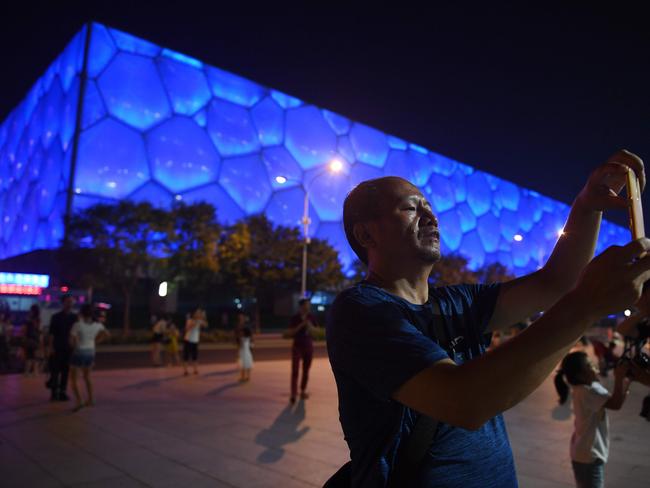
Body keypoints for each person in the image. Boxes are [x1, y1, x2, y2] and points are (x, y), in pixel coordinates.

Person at [326, 150, 650, 487]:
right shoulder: (360, 311)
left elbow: (555, 282)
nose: (430, 217)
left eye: (429, 208)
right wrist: (586, 305)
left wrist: (587, 205)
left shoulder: (458, 302)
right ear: (366, 236)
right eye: (410, 208)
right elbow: (464, 401)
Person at [554, 352, 631, 487]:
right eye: (590, 366)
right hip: (588, 456)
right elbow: (615, 404)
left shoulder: (590, 387)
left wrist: (627, 381)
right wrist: (619, 378)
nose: (595, 367)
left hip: (585, 454)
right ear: (580, 375)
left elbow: (615, 400)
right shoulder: (586, 391)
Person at [69, 304, 110, 411]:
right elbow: (107, 334)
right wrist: (96, 341)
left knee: (73, 379)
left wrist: (75, 345)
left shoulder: (77, 325)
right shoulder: (98, 325)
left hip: (79, 352)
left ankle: (79, 401)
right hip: (91, 351)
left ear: (81, 313)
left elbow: (72, 341)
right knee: (87, 377)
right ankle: (91, 399)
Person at [287, 298, 318, 403]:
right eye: (306, 305)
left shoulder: (311, 317)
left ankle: (303, 390)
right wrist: (301, 325)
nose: (308, 307)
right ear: (301, 306)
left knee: (306, 370)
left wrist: (309, 326)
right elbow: (291, 332)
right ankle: (293, 394)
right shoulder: (295, 318)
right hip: (297, 346)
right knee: (295, 370)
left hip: (308, 346)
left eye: (309, 305)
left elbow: (315, 332)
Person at [47, 294, 77, 401]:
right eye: (68, 301)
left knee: (66, 371)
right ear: (63, 302)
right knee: (55, 370)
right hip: (57, 347)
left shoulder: (75, 318)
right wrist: (50, 347)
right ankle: (54, 392)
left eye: (72, 301)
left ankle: (62, 392)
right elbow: (51, 334)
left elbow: (76, 334)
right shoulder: (56, 317)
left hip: (69, 348)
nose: (70, 303)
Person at [183, 308, 207, 376]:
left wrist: (203, 318)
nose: (198, 314)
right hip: (188, 340)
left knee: (195, 356)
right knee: (186, 356)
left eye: (199, 313)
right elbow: (187, 329)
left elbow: (205, 325)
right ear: (194, 314)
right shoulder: (190, 320)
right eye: (197, 313)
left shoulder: (199, 321)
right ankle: (185, 370)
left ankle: (195, 369)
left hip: (195, 340)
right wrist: (194, 324)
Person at [22, 304, 41, 376]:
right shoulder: (37, 319)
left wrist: (24, 338)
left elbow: (24, 329)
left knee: (29, 356)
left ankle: (27, 372)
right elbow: (38, 329)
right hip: (35, 339)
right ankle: (35, 372)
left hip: (29, 338)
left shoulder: (28, 319)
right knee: (35, 356)